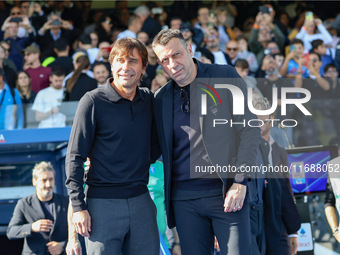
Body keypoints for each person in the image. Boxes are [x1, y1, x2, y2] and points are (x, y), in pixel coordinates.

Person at [152, 29, 262, 255]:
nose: (172, 64)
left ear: (190, 49)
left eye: (176, 55)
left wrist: (240, 182)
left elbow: (250, 131)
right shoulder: (161, 98)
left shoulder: (225, 76)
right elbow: (149, 148)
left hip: (227, 192)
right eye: (165, 60)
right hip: (184, 201)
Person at [65, 37, 160, 255]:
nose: (125, 67)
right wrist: (79, 207)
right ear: (112, 65)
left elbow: (157, 145)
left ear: (144, 67)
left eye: (133, 61)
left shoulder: (149, 101)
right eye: (120, 60)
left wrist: (139, 161)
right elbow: (74, 157)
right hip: (102, 205)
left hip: (141, 201)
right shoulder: (92, 102)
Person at [251, 95, 300, 255]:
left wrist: (292, 231)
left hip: (277, 222)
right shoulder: (241, 149)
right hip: (251, 220)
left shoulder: (279, 151)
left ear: (271, 118)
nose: (259, 126)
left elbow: (286, 189)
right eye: (255, 121)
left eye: (263, 121)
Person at [7, 162, 69, 255]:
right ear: (34, 181)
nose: (48, 184)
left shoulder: (66, 202)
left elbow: (78, 231)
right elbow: (11, 232)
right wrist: (32, 227)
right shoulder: (24, 204)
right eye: (44, 180)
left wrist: (63, 246)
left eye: (51, 179)